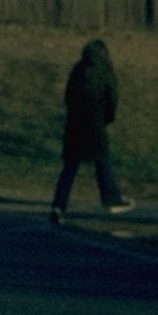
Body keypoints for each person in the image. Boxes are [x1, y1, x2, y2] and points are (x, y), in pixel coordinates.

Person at [48, 38, 134, 225]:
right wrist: (106, 119)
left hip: (74, 125)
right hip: (95, 124)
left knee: (70, 167)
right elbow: (111, 98)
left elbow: (68, 97)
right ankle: (111, 198)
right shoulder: (105, 70)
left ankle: (58, 205)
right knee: (102, 161)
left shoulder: (78, 69)